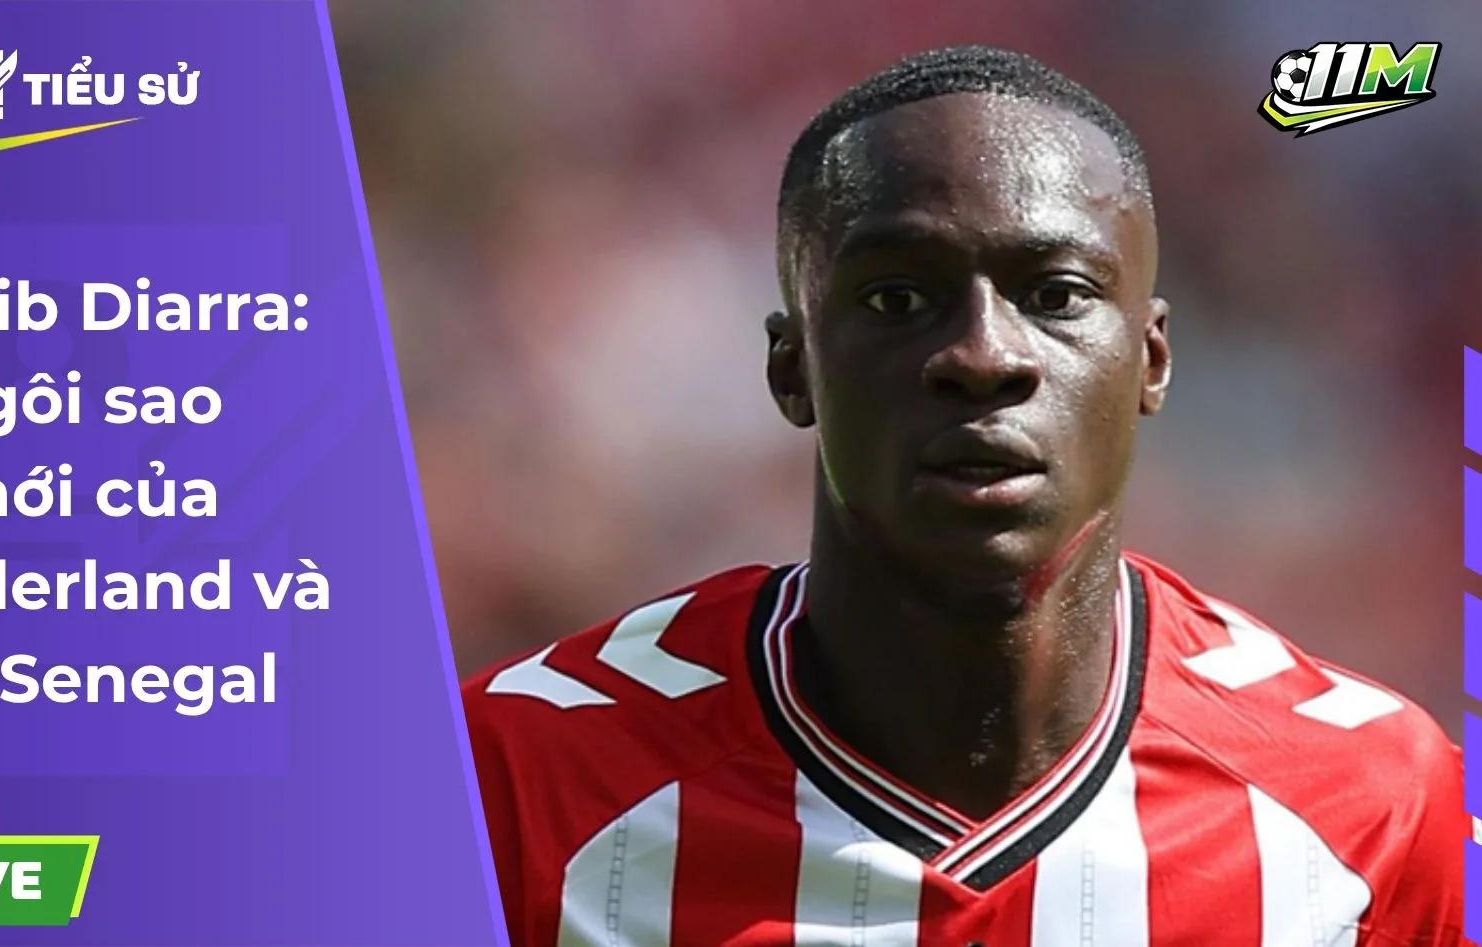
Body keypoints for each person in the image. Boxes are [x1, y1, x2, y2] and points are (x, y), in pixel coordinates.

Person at [460, 45, 1465, 946]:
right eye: (898, 297)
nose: (983, 356)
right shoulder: (513, 777)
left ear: (1152, 359)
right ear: (792, 366)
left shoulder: (1371, 802)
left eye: (1056, 294)